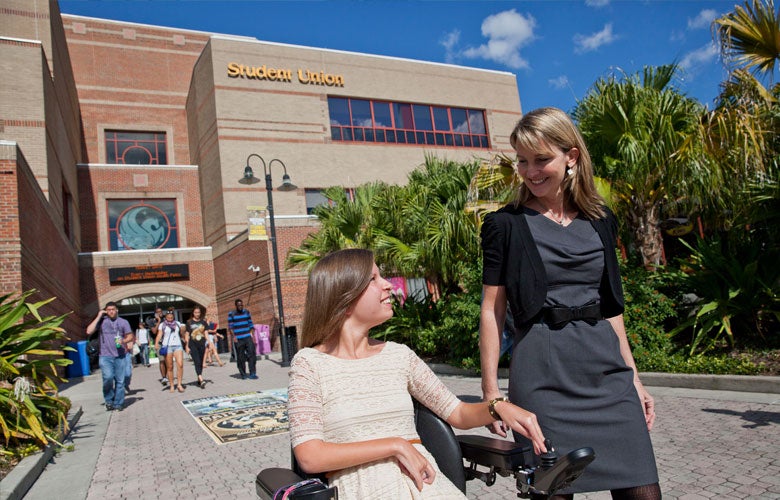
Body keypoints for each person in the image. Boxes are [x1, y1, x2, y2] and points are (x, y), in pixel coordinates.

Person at [479, 107, 660, 499]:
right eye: (522, 161)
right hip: (543, 375)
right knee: (553, 493)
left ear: (571, 157)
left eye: (542, 159)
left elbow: (611, 308)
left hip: (606, 373)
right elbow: (492, 311)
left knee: (644, 492)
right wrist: (491, 392)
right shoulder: (504, 225)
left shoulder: (600, 220)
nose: (530, 171)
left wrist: (635, 377)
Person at [287, 249, 547, 499]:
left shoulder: (399, 356)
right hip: (363, 489)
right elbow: (310, 456)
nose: (388, 285)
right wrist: (396, 445)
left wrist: (498, 407)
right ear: (343, 298)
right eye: (373, 279)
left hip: (427, 487)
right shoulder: (310, 364)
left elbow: (456, 412)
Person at [86, 301, 133, 411]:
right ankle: (109, 400)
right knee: (108, 378)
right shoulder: (102, 322)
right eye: (109, 310)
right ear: (106, 311)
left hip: (120, 355)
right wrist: (98, 316)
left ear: (116, 310)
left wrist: (124, 340)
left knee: (120, 381)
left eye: (113, 309)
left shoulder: (123, 322)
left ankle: (118, 403)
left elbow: (130, 336)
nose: (111, 311)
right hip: (105, 356)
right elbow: (88, 331)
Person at [155, 308, 186, 393]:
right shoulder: (162, 325)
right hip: (167, 346)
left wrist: (184, 332)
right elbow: (159, 334)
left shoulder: (178, 324)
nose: (170, 318)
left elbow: (182, 333)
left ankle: (179, 384)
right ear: (166, 317)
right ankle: (172, 385)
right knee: (170, 366)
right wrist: (156, 343)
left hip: (178, 346)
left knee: (180, 364)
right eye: (168, 317)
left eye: (171, 317)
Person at [228, 299, 258, 380]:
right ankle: (243, 374)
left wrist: (252, 335)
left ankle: (252, 373)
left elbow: (250, 324)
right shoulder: (232, 314)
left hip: (247, 336)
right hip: (238, 338)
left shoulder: (246, 312)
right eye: (239, 305)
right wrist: (234, 337)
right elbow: (230, 327)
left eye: (241, 305)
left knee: (252, 354)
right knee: (241, 357)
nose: (240, 307)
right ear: (236, 306)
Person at [184, 305, 213, 389]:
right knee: (196, 361)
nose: (197, 314)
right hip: (193, 345)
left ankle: (198, 378)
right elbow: (187, 335)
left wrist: (209, 342)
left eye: (199, 312)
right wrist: (186, 346)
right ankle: (201, 378)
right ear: (193, 313)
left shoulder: (203, 322)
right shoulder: (189, 322)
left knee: (200, 362)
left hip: (202, 344)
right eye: (196, 312)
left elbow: (206, 333)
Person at [147, 307, 168, 386]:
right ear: (155, 313)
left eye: (161, 311)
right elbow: (154, 331)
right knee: (162, 360)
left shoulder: (165, 319)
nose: (160, 313)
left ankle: (167, 375)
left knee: (167, 361)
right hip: (158, 343)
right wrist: (158, 321)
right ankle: (163, 377)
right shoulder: (151, 321)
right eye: (158, 312)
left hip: (166, 343)